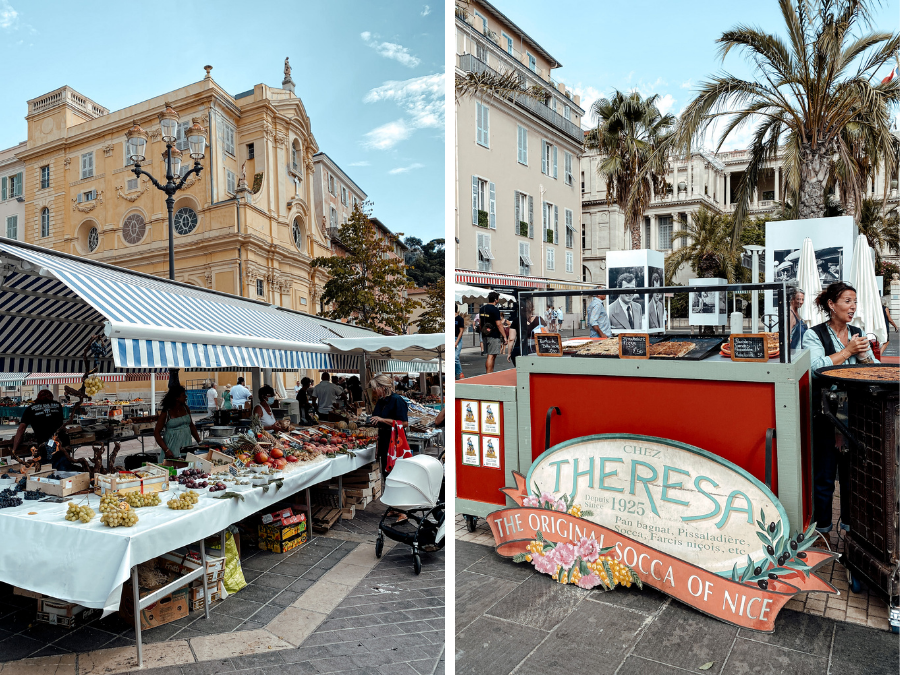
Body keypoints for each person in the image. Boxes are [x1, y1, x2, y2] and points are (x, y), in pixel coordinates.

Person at [802, 282, 878, 544]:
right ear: (831, 305)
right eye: (847, 301)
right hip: (826, 410)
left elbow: (872, 367)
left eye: (855, 302)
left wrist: (866, 356)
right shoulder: (814, 335)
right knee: (824, 473)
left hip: (855, 411)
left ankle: (849, 525)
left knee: (851, 473)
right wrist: (847, 352)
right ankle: (822, 529)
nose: (853, 307)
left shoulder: (857, 333)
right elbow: (814, 367)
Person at [368, 374, 409, 522]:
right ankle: (393, 507)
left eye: (375, 388)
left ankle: (403, 512)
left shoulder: (397, 400)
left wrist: (382, 420)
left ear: (383, 388)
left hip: (396, 443)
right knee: (387, 474)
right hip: (385, 441)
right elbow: (377, 417)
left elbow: (404, 423)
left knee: (396, 475)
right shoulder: (381, 401)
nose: (374, 391)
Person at [12, 389, 65, 464]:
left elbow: (21, 429)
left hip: (45, 445)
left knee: (47, 469)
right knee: (63, 466)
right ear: (51, 397)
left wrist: (14, 449)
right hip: (62, 442)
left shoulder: (31, 409)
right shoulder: (58, 405)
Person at [153, 385, 201, 463]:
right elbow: (156, 433)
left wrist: (200, 442)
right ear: (177, 398)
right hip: (171, 447)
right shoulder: (166, 412)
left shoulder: (186, 408)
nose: (186, 396)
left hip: (186, 445)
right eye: (183, 395)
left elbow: (191, 426)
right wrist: (166, 450)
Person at [479, 292, 508, 374]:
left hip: (485, 334)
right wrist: (504, 336)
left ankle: (490, 372)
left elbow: (480, 323)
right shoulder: (495, 310)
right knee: (491, 355)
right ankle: (489, 374)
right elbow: (499, 324)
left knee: (491, 354)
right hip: (494, 335)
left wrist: (483, 332)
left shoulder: (482, 308)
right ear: (496, 300)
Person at [455, 306, 466, 380]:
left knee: (455, 357)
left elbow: (461, 331)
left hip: (457, 338)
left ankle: (460, 372)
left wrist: (456, 342)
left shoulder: (459, 319)